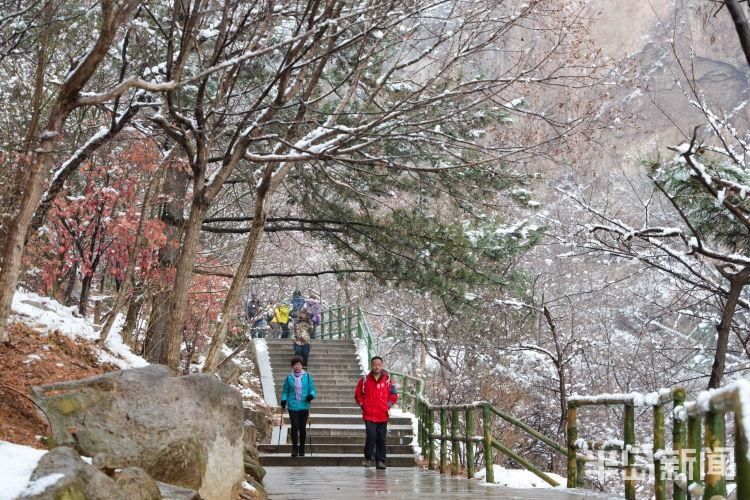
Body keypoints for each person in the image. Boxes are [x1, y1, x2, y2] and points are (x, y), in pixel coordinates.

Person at [354, 356, 398, 469]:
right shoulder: (364, 380)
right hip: (369, 414)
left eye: (379, 365)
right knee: (371, 436)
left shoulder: (388, 380)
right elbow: (358, 395)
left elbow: (394, 395)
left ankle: (380, 461)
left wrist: (388, 405)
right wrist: (363, 404)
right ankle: (368, 458)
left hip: (383, 414)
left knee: (381, 438)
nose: (376, 367)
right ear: (371, 365)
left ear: (382, 366)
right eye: (374, 365)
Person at [280, 356, 316, 457]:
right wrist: (283, 400)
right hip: (292, 406)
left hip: (304, 406)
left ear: (302, 366)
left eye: (299, 365)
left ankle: (302, 448)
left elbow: (313, 390)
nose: (297, 367)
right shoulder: (288, 378)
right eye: (295, 365)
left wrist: (311, 396)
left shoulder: (308, 377)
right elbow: (285, 392)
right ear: (292, 366)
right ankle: (294, 448)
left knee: (302, 428)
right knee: (294, 427)